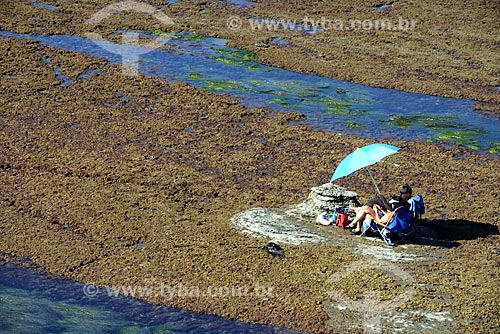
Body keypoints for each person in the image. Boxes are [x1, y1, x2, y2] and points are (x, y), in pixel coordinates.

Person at [346, 185, 413, 234]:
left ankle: (353, 224)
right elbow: (390, 214)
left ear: (408, 194)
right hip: (385, 214)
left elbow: (384, 218)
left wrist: (376, 210)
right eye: (400, 192)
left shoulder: (404, 204)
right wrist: (380, 210)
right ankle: (357, 227)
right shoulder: (402, 203)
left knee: (367, 207)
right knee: (365, 207)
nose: (400, 194)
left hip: (384, 219)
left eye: (403, 193)